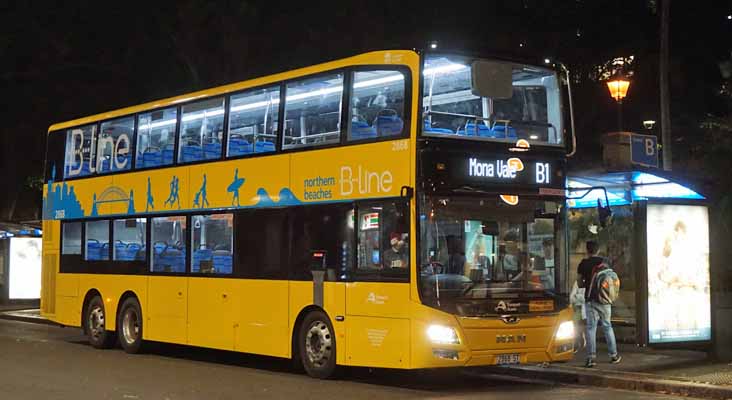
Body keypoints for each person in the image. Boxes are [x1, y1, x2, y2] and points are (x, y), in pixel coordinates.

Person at [578, 241, 621, 367]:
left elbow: (580, 283)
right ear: (598, 250)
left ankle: (591, 358)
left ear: (587, 250)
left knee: (591, 328)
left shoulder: (583, 264)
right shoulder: (605, 262)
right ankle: (614, 355)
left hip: (591, 300)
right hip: (605, 299)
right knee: (607, 326)